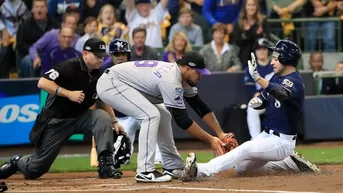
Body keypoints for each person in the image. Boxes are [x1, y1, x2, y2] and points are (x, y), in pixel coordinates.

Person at [181, 40, 319, 181]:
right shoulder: (276, 77)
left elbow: (282, 93)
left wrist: (258, 79)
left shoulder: (295, 80)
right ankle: (289, 162)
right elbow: (264, 99)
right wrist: (258, 101)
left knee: (246, 148)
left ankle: (200, 171)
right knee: (242, 168)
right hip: (267, 135)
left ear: (286, 58)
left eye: (276, 59)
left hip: (282, 141)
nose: (272, 62)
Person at [0, 38, 125, 180]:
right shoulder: (68, 67)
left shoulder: (100, 74)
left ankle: (106, 165)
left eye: (102, 56)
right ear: (85, 54)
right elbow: (42, 82)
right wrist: (68, 93)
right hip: (57, 121)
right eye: (97, 56)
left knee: (102, 117)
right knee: (34, 169)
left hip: (81, 117)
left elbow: (104, 97)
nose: (100, 59)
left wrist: (114, 122)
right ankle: (17, 162)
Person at [96, 51, 227, 183]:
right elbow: (183, 120)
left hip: (124, 83)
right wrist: (211, 140)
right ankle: (145, 170)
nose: (200, 76)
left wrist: (220, 134)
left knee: (163, 114)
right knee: (150, 115)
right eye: (198, 72)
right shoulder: (171, 80)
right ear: (187, 69)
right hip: (111, 82)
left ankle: (172, 165)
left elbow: (200, 106)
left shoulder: (182, 77)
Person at [91, 38, 163, 166]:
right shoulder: (104, 72)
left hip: (137, 113)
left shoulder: (137, 68)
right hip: (119, 118)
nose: (120, 57)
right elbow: (101, 99)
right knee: (121, 160)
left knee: (158, 114)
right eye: (117, 54)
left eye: (123, 54)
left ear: (128, 55)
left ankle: (157, 155)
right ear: (111, 56)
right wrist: (114, 121)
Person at [244, 38, 274, 140]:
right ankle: (256, 139)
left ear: (268, 51)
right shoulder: (251, 67)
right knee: (252, 107)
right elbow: (250, 88)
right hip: (262, 100)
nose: (261, 51)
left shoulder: (274, 66)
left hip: (275, 99)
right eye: (258, 49)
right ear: (255, 51)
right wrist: (258, 94)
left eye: (264, 49)